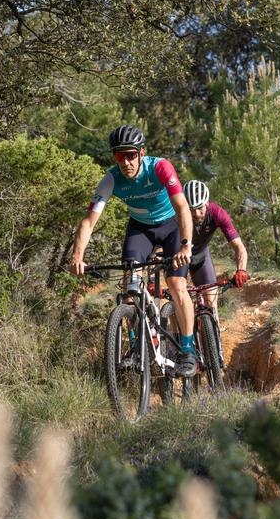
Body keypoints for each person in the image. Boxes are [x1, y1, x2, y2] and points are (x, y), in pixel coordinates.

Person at [70, 125, 197, 377]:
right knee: (129, 287)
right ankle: (137, 347)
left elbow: (182, 207)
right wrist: (77, 255)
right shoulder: (111, 178)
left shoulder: (160, 167)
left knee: (176, 284)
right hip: (140, 229)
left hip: (171, 226)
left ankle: (187, 350)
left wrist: (185, 244)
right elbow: (89, 221)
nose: (126, 162)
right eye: (120, 156)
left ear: (142, 153)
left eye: (130, 155)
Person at [183, 180, 248, 316]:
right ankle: (177, 334)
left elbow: (239, 246)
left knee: (211, 302)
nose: (196, 214)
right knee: (178, 298)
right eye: (191, 209)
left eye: (200, 207)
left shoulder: (217, 213)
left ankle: (214, 334)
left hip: (200, 255)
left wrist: (241, 270)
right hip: (178, 256)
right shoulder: (176, 215)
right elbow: (159, 243)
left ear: (207, 203)